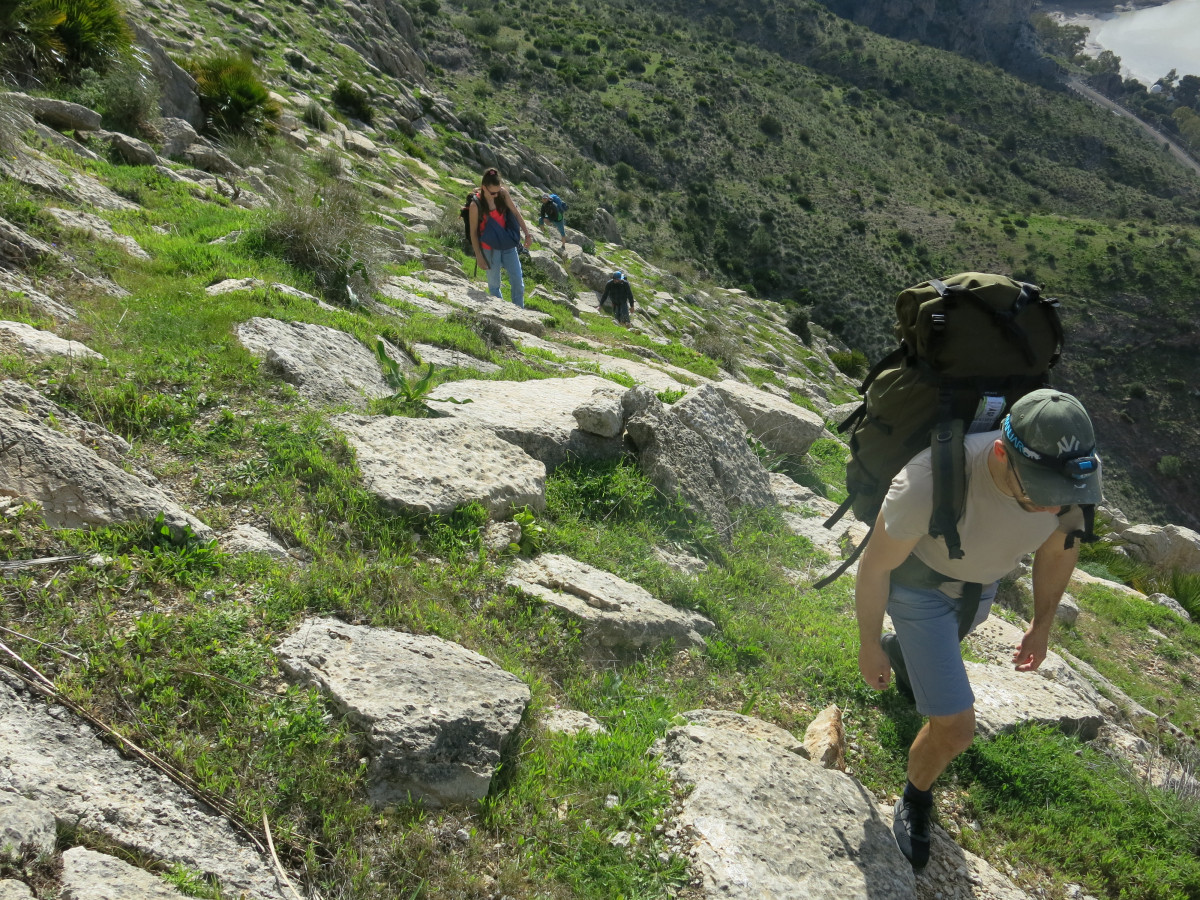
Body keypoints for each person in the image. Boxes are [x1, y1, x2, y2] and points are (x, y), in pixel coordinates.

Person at [855, 389, 1102, 873]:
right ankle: (915, 798)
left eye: (1058, 496)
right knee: (956, 728)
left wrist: (1042, 625)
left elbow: (1059, 548)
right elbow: (876, 566)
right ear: (1001, 452)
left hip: (980, 587)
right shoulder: (927, 481)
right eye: (1037, 492)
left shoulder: (1074, 473)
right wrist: (867, 645)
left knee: (934, 659)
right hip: (921, 589)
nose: (1049, 507)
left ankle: (903, 654)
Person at [468, 168, 532, 308]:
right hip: (489, 249)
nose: (496, 195)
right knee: (494, 285)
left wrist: (527, 234)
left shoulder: (502, 194)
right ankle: (501, 311)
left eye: (498, 191)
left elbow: (516, 213)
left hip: (507, 244)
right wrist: (479, 256)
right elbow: (473, 233)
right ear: (484, 187)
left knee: (518, 282)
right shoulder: (475, 205)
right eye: (492, 193)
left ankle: (519, 312)